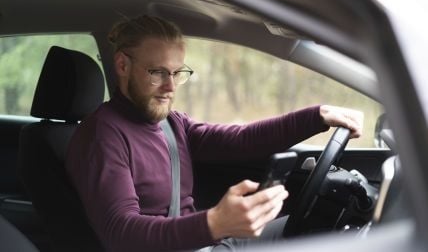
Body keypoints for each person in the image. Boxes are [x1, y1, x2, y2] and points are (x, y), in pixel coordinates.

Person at [65, 15, 364, 252]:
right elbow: (121, 233)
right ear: (122, 65)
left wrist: (317, 116)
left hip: (204, 245)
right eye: (157, 72)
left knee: (320, 230)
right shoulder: (101, 135)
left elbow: (240, 140)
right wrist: (214, 223)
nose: (170, 86)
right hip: (194, 243)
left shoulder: (171, 123)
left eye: (177, 73)